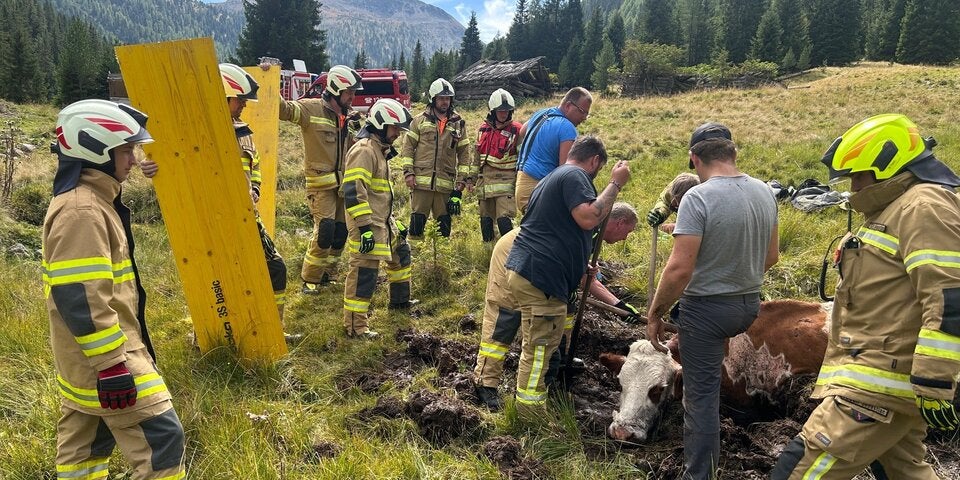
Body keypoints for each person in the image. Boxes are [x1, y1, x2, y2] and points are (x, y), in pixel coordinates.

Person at [772, 114, 960, 480]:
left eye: (858, 175)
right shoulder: (893, 209)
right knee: (905, 471)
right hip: (880, 377)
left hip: (878, 384)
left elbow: (949, 296)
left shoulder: (924, 207)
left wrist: (935, 380)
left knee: (799, 470)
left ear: (888, 165)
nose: (853, 186)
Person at [43, 99, 185, 478]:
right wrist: (111, 366)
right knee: (163, 437)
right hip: (108, 354)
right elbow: (79, 296)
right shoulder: (83, 212)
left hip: (82, 356)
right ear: (95, 149)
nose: (134, 160)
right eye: (126, 150)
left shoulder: (93, 201)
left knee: (86, 446)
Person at [645, 122, 779, 480]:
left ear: (694, 159)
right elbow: (771, 258)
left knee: (700, 399)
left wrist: (656, 312)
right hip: (748, 304)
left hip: (706, 310)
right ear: (733, 153)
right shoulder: (765, 192)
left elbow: (678, 270)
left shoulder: (697, 198)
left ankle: (699, 474)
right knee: (710, 372)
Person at [505, 135, 631, 415]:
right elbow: (588, 217)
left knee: (541, 344)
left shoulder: (556, 176)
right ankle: (529, 415)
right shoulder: (574, 174)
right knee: (539, 350)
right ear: (595, 160)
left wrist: (576, 264)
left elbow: (558, 227)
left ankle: (534, 404)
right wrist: (616, 183)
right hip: (542, 276)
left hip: (535, 271)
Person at [474, 202, 640, 410]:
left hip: (548, 266)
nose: (626, 238)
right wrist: (618, 305)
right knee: (505, 319)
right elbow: (584, 279)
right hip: (516, 254)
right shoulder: (588, 224)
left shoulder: (593, 231)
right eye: (628, 231)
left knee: (563, 313)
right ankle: (485, 382)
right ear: (619, 222)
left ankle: (557, 363)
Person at [278, 64, 364, 293]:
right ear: (336, 90)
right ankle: (310, 280)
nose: (353, 97)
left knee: (340, 232)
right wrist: (269, 79)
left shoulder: (351, 118)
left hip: (343, 186)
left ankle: (329, 274)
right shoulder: (311, 109)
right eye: (350, 93)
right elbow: (283, 110)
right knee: (325, 230)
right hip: (320, 186)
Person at [219, 63, 291, 334]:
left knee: (276, 268)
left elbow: (256, 165)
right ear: (223, 97)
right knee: (226, 281)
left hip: (249, 217)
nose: (244, 106)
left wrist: (256, 189)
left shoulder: (243, 133)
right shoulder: (201, 137)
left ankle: (273, 330)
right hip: (222, 225)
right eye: (240, 100)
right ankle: (220, 335)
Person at [341, 99, 416, 339]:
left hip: (383, 221)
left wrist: (393, 221)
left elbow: (379, 193)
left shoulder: (378, 150)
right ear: (381, 124)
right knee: (364, 273)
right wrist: (364, 229)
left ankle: (400, 303)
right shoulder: (364, 151)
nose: (397, 134)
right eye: (395, 128)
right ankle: (356, 327)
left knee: (401, 254)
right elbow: (354, 191)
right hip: (368, 224)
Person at [398, 78, 473, 240]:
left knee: (444, 224)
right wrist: (408, 173)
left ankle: (441, 259)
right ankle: (417, 256)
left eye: (447, 98)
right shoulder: (419, 121)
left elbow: (464, 153)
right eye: (441, 98)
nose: (445, 102)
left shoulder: (458, 123)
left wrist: (462, 179)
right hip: (421, 181)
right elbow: (408, 147)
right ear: (433, 99)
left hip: (445, 182)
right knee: (417, 221)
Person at [514, 87, 592, 214]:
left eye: (587, 114)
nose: (584, 117)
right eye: (582, 112)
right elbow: (565, 171)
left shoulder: (541, 113)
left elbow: (523, 131)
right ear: (568, 106)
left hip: (521, 187)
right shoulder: (567, 128)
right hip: (538, 190)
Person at [474, 88, 523, 242]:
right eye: (501, 111)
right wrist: (470, 179)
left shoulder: (517, 130)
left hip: (506, 183)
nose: (504, 114)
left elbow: (523, 158)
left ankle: (510, 252)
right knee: (485, 220)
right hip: (484, 184)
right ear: (493, 111)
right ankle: (488, 253)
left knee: (504, 220)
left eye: (507, 111)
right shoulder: (484, 130)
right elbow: (476, 158)